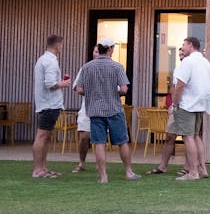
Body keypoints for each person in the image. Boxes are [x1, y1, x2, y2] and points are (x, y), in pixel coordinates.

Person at [73, 37, 140, 183]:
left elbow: (79, 89)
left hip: (95, 110)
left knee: (99, 143)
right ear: (110, 49)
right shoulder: (117, 67)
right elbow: (124, 89)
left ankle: (103, 176)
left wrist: (93, 92)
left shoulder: (87, 67)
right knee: (122, 141)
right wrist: (112, 92)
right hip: (114, 109)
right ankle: (128, 172)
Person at [165, 36, 210, 181]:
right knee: (195, 136)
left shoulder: (188, 62)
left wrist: (175, 103)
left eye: (184, 45)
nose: (182, 48)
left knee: (188, 137)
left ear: (191, 45)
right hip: (201, 104)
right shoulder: (206, 63)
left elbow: (180, 84)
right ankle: (202, 168)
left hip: (188, 104)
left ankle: (193, 172)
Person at [31, 34, 68, 178]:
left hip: (46, 103)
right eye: (61, 45)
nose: (62, 47)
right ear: (57, 45)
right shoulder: (50, 61)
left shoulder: (42, 59)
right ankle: (37, 169)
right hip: (50, 104)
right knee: (42, 136)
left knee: (46, 137)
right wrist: (64, 84)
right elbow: (50, 84)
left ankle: (43, 168)